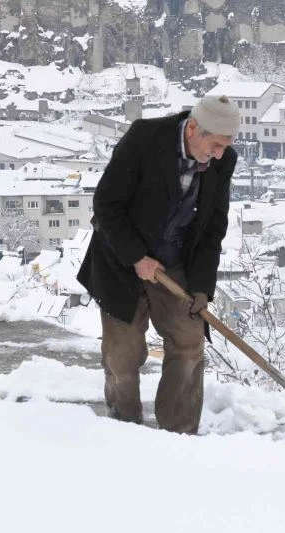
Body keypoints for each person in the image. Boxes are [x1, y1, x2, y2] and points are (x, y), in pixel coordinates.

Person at [77, 95, 239, 434]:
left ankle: (179, 432)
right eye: (217, 144)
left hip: (175, 263)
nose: (220, 153)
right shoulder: (145, 138)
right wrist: (137, 256)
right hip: (121, 259)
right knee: (122, 355)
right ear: (193, 128)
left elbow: (212, 229)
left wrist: (200, 288)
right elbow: (106, 205)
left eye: (227, 146)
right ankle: (125, 427)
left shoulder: (223, 162)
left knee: (189, 342)